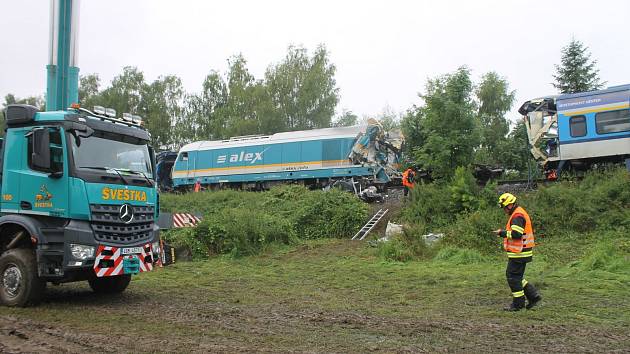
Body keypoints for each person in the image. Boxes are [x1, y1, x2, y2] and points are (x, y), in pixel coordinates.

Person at [493, 193, 542, 311]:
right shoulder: (518, 213)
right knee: (517, 276)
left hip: (520, 252)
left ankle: (518, 304)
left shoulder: (517, 216)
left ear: (510, 205)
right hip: (521, 252)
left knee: (512, 277)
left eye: (504, 207)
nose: (504, 210)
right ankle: (533, 296)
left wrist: (502, 233)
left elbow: (516, 234)